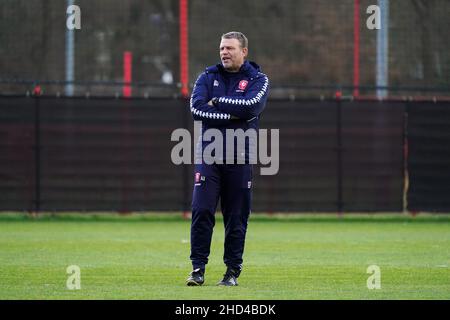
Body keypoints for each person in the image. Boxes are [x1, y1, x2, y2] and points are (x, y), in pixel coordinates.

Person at [186, 31, 269, 286]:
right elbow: (196, 109)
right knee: (201, 210)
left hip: (240, 155)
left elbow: (251, 106)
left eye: (230, 48)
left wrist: (219, 103)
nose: (224, 52)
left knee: (236, 217)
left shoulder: (258, 79)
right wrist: (235, 115)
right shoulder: (206, 76)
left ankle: (232, 272)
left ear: (244, 51)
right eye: (222, 48)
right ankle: (198, 269)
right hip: (208, 155)